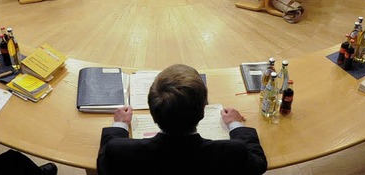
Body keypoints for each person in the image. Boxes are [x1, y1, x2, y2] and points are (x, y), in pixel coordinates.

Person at [97, 63, 267, 175]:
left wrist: (120, 124)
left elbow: (104, 164)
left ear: (152, 111)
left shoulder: (118, 150)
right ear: (203, 111)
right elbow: (258, 163)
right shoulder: (233, 152)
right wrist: (236, 125)